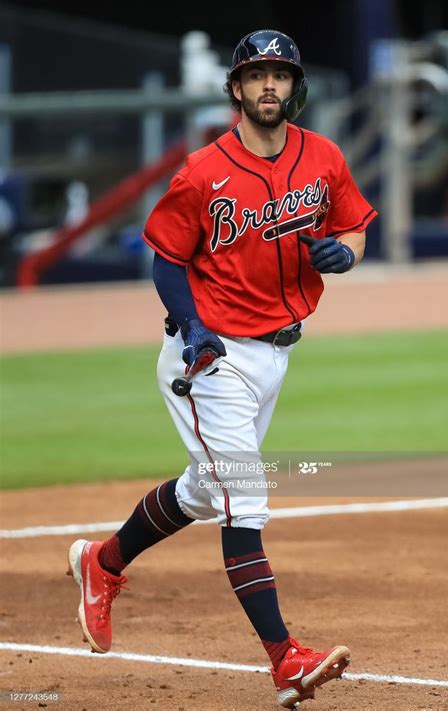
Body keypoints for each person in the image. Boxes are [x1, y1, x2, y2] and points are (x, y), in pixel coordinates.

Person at [67, 29, 377, 709]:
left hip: (275, 354)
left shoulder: (322, 158)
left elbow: (354, 225)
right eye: (257, 75)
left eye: (281, 75)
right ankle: (286, 660)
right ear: (236, 89)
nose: (269, 86)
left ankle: (102, 561)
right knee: (245, 494)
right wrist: (193, 326)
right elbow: (166, 258)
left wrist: (347, 254)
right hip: (210, 358)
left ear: (296, 89)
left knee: (207, 491)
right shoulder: (203, 171)